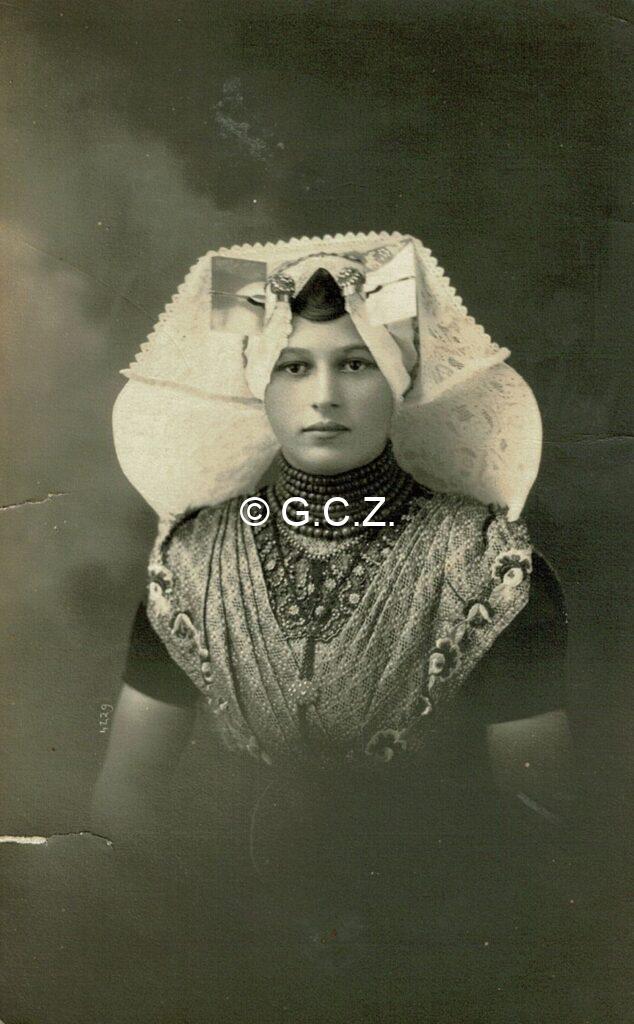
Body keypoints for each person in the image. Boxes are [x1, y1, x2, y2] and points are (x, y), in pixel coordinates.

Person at [94, 232, 575, 953]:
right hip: (224, 944)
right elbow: (125, 801)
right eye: (293, 367)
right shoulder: (193, 563)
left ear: (398, 381)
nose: (323, 396)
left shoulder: (487, 565)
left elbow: (543, 818)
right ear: (259, 386)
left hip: (445, 948)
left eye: (355, 363)